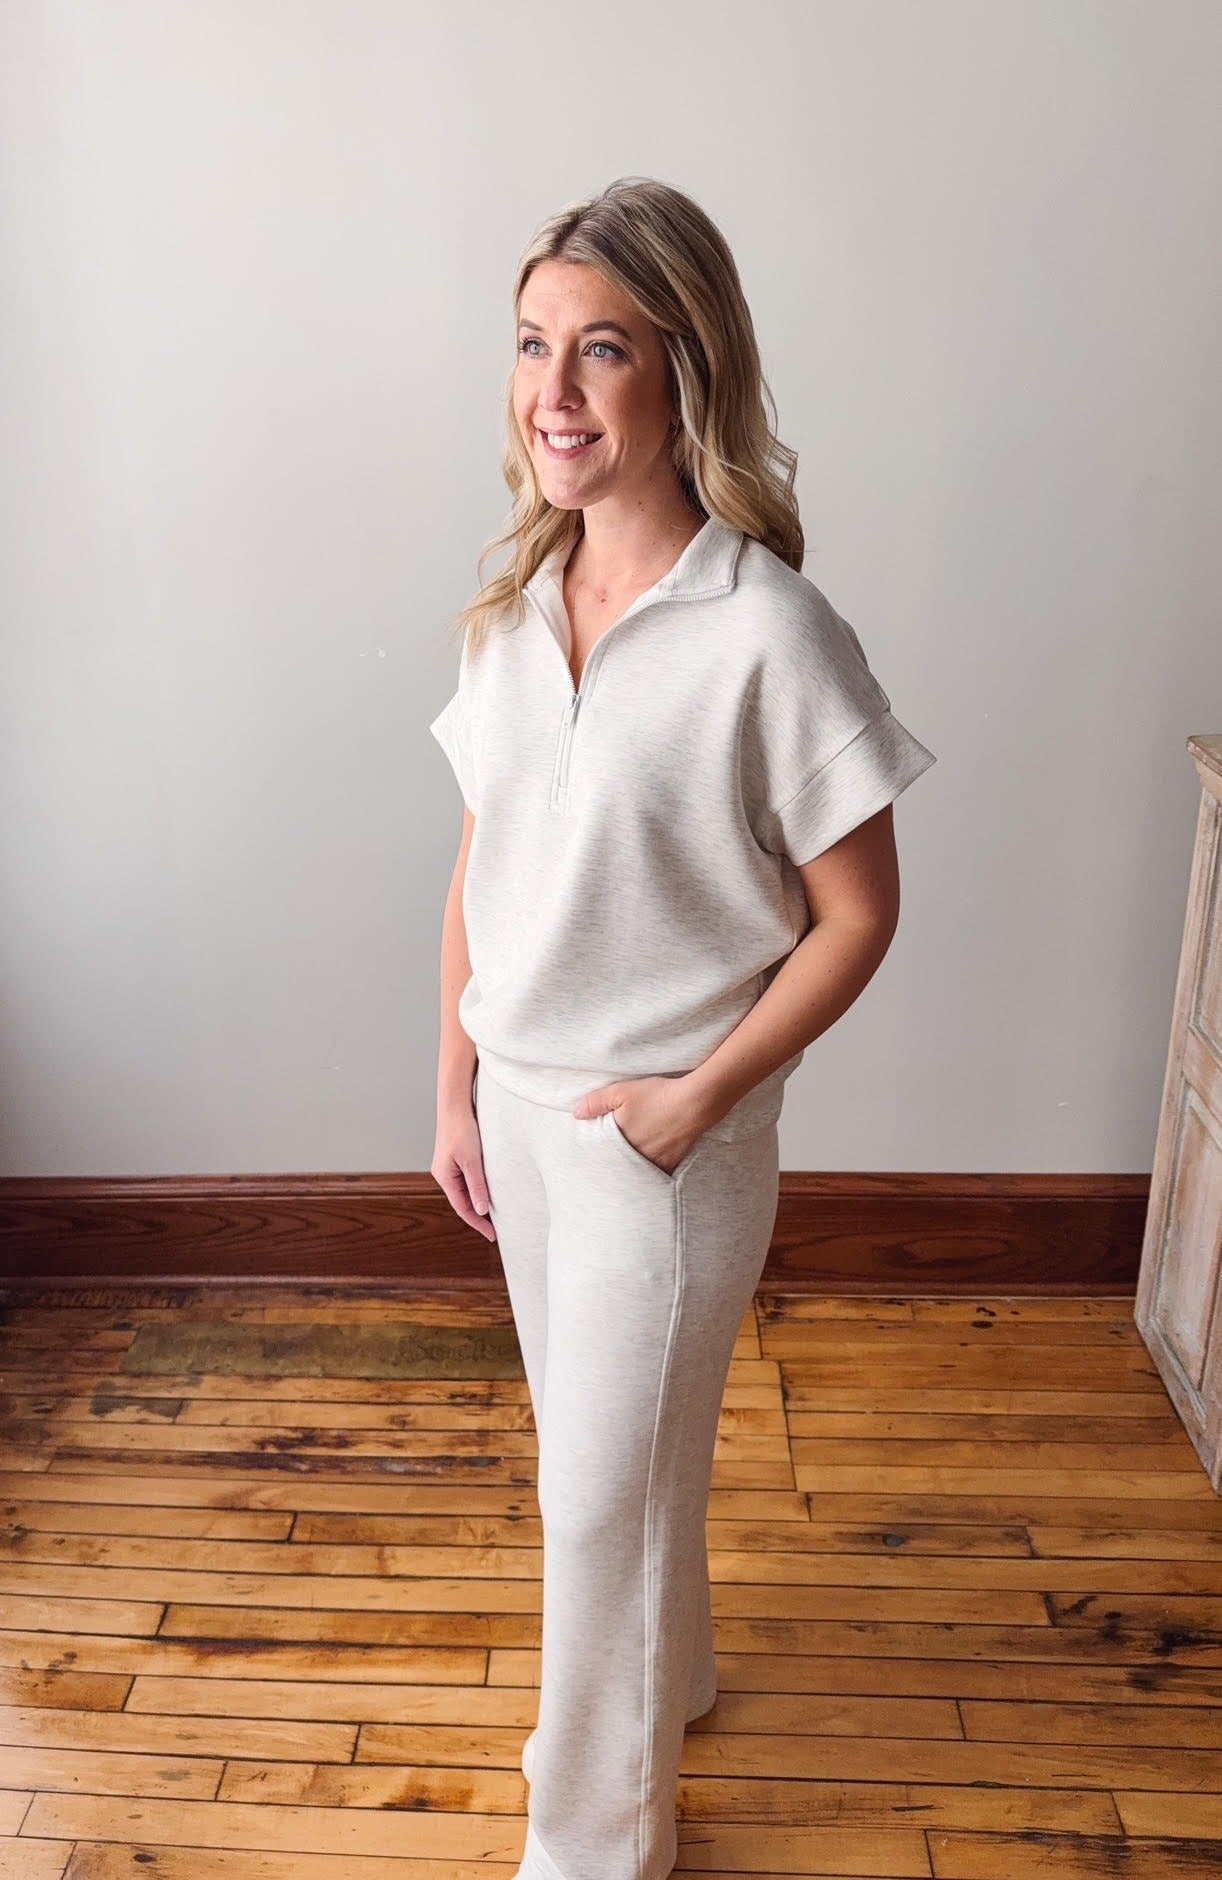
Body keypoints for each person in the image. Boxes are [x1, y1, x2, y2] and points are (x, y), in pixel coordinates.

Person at [429, 175, 937, 1880]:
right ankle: (671, 1678)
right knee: (608, 1470)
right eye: (529, 345)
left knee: (594, 1505)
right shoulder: (510, 609)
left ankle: (592, 1847)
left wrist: (698, 1097)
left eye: (603, 349)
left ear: (683, 372)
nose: (551, 390)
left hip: (665, 1137)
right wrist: (452, 1080)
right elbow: (489, 851)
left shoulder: (767, 632)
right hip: (517, 1110)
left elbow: (856, 915)